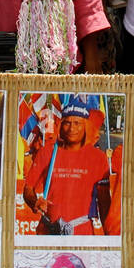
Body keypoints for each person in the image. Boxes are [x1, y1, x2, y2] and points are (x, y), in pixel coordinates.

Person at [23, 98, 111, 236]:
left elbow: (104, 202)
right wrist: (35, 202)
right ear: (61, 125)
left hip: (82, 233)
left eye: (77, 123)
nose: (72, 129)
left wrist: (109, 238)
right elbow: (28, 189)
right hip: (48, 230)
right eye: (67, 123)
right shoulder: (48, 151)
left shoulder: (98, 158)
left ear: (86, 126)